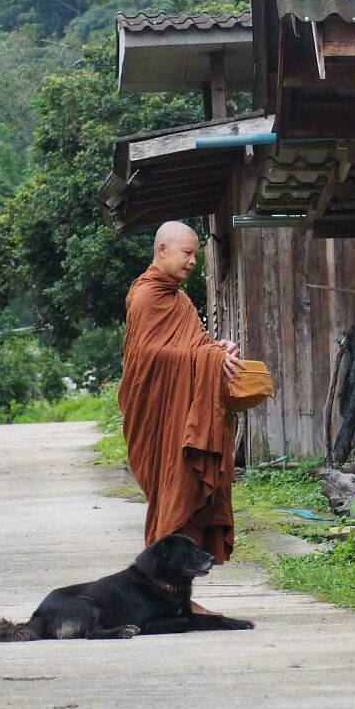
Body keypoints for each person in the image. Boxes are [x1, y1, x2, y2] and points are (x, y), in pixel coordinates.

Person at [118, 221, 242, 586]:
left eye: (194, 255)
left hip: (184, 419)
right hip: (158, 418)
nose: (192, 262)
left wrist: (219, 351)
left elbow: (195, 345)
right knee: (171, 497)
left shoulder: (181, 300)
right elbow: (149, 356)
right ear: (162, 251)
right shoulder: (146, 297)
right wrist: (206, 359)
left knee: (187, 493)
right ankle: (160, 587)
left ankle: (177, 590)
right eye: (187, 253)